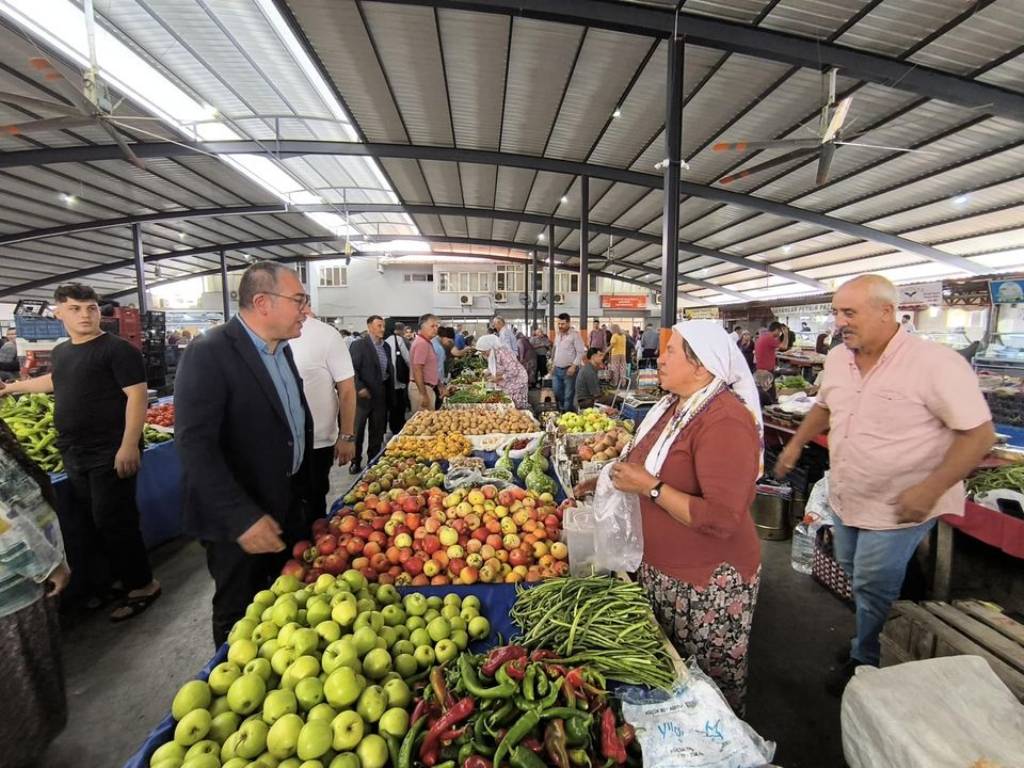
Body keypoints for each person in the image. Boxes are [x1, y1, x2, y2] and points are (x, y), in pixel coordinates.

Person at [774, 275, 995, 696]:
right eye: (837, 312)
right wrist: (796, 444)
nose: (839, 321)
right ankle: (876, 629)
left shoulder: (935, 363)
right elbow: (823, 406)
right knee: (856, 571)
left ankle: (867, 661)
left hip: (900, 506)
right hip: (847, 495)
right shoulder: (839, 359)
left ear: (886, 312)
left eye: (849, 312)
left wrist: (929, 490)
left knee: (872, 583)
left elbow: (979, 436)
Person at [574, 320, 762, 714]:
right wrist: (599, 484)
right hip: (663, 573)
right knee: (673, 678)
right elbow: (639, 463)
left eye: (670, 351)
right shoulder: (673, 407)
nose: (659, 358)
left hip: (706, 583)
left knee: (706, 691)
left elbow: (722, 518)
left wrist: (651, 488)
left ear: (701, 365)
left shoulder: (725, 420)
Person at [0, 283, 159, 621]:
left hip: (110, 452)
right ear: (58, 312)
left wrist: (129, 445)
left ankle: (144, 584)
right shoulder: (63, 351)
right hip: (75, 452)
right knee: (91, 522)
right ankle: (114, 581)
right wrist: (11, 388)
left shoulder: (118, 350)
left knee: (115, 521)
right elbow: (55, 381)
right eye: (75, 308)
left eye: (91, 308)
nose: (85, 315)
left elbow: (137, 396)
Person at [175, 261, 314, 645]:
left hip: (283, 503)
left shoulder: (281, 351)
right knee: (240, 612)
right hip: (240, 520)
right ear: (262, 302)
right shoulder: (210, 351)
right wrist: (241, 518)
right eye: (299, 299)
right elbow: (194, 444)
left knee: (286, 604)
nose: (306, 308)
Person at [0, 419, 71, 768]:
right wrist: (45, 565)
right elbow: (5, 525)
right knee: (21, 684)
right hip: (11, 591)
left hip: (21, 584)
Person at [288, 308, 356, 520]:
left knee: (312, 503)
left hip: (317, 443)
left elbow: (346, 389)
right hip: (276, 446)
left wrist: (346, 436)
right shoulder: (266, 336)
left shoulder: (325, 335)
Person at [349, 315, 393, 472]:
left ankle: (373, 460)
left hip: (381, 393)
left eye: (383, 326)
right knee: (358, 430)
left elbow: (388, 369)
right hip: (363, 395)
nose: (383, 329)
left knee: (377, 430)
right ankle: (355, 461)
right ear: (369, 327)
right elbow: (352, 369)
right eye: (379, 326)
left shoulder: (386, 346)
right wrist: (359, 387)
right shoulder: (359, 345)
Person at [475, 334, 529, 408]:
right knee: (506, 404)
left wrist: (498, 378)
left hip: (517, 381)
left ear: (490, 347)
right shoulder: (492, 353)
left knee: (515, 406)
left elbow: (514, 371)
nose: (483, 355)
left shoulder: (503, 353)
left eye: (484, 352)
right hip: (508, 381)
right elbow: (496, 366)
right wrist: (487, 372)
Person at [552, 313, 586, 411]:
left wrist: (574, 366)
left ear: (568, 323)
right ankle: (566, 409)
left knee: (568, 395)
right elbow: (556, 350)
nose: (560, 326)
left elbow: (581, 352)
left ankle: (567, 413)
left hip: (569, 370)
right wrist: (553, 364)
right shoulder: (558, 335)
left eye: (562, 324)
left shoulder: (575, 335)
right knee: (557, 391)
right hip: (557, 369)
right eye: (558, 324)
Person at [409, 314, 440, 412]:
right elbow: (417, 369)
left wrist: (439, 384)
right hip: (421, 389)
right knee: (424, 424)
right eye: (432, 326)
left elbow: (429, 369)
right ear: (422, 326)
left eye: (436, 326)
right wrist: (423, 394)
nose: (435, 329)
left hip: (426, 388)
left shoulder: (426, 342)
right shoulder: (421, 344)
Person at [385, 322, 412, 434]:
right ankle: (398, 428)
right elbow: (408, 359)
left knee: (390, 406)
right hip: (399, 380)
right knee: (399, 405)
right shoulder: (398, 340)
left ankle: (391, 427)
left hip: (386, 380)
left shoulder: (382, 340)